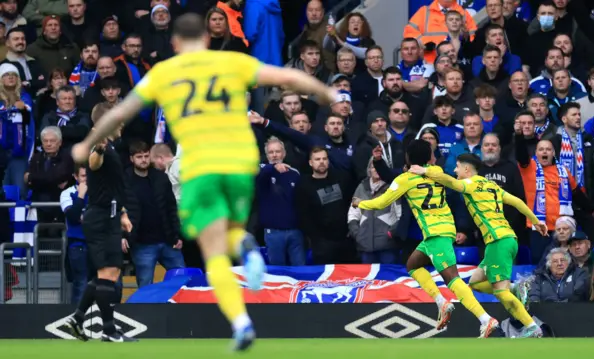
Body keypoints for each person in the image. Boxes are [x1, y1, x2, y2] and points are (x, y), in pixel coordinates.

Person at [69, 13, 337, 351]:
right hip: (240, 161)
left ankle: (241, 322)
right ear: (207, 39)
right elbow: (286, 75)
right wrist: (327, 91)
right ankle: (245, 248)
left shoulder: (165, 73)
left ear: (175, 43)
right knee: (233, 230)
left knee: (214, 254)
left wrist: (84, 143)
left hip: (201, 167)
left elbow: (120, 112)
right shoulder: (231, 61)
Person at [353, 140, 499, 337]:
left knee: (452, 279)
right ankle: (442, 302)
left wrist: (360, 203)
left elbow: (381, 202)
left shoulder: (405, 179)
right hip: (444, 228)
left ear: (408, 157)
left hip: (435, 233)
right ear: (428, 157)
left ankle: (485, 319)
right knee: (412, 265)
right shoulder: (436, 172)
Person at [409, 153, 549, 338]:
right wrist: (535, 220)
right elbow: (516, 201)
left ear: (467, 169)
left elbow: (451, 182)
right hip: (507, 239)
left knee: (501, 292)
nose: (455, 170)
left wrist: (424, 170)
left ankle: (532, 327)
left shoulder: (470, 183)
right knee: (475, 282)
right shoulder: (491, 185)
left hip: (498, 241)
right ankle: (516, 287)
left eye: (457, 167)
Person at [63, 112, 134, 342]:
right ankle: (110, 331)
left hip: (110, 216)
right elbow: (93, 163)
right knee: (108, 274)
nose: (122, 124)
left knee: (108, 275)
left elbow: (111, 185)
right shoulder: (99, 146)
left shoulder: (112, 146)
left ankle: (78, 318)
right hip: (101, 218)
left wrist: (122, 213)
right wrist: (100, 149)